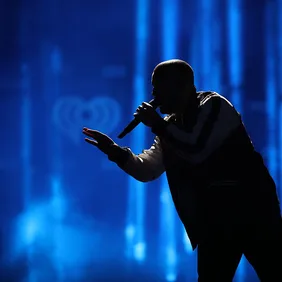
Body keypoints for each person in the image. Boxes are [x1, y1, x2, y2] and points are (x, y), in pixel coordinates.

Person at [82, 59, 282, 281]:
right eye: (153, 89)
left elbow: (196, 148)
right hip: (215, 218)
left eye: (159, 89)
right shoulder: (170, 126)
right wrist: (115, 152)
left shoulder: (214, 105)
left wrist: (158, 124)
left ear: (183, 86)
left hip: (252, 208)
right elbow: (148, 169)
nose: (154, 95)